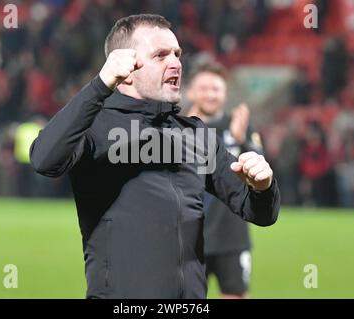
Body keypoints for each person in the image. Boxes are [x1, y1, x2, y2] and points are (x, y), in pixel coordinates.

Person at [30, 14, 280, 299]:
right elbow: (44, 160)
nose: (175, 63)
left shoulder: (195, 133)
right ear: (126, 66)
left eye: (177, 54)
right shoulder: (96, 126)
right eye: (160, 55)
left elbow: (259, 213)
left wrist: (263, 187)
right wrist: (100, 86)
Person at [186, 63, 263, 298]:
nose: (210, 94)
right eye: (204, 88)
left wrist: (242, 141)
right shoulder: (176, 128)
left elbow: (261, 173)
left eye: (216, 89)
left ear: (225, 93)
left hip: (232, 236)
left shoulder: (239, 127)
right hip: (187, 237)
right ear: (191, 92)